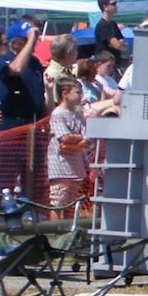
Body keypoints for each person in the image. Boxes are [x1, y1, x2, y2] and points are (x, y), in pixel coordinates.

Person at [45, 75, 90, 217]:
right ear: (65, 93)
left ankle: (69, 231)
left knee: (71, 202)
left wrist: (78, 142)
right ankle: (56, 233)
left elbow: (87, 137)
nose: (80, 96)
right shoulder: (58, 114)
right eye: (77, 92)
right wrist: (79, 140)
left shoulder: (78, 113)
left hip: (75, 164)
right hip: (60, 166)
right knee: (59, 200)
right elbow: (64, 138)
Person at [93, 0, 128, 73]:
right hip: (105, 67)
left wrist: (119, 44)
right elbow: (118, 45)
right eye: (113, 4)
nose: (117, 6)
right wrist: (118, 44)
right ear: (105, 7)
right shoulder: (102, 25)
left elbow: (122, 44)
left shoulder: (113, 24)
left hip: (115, 65)